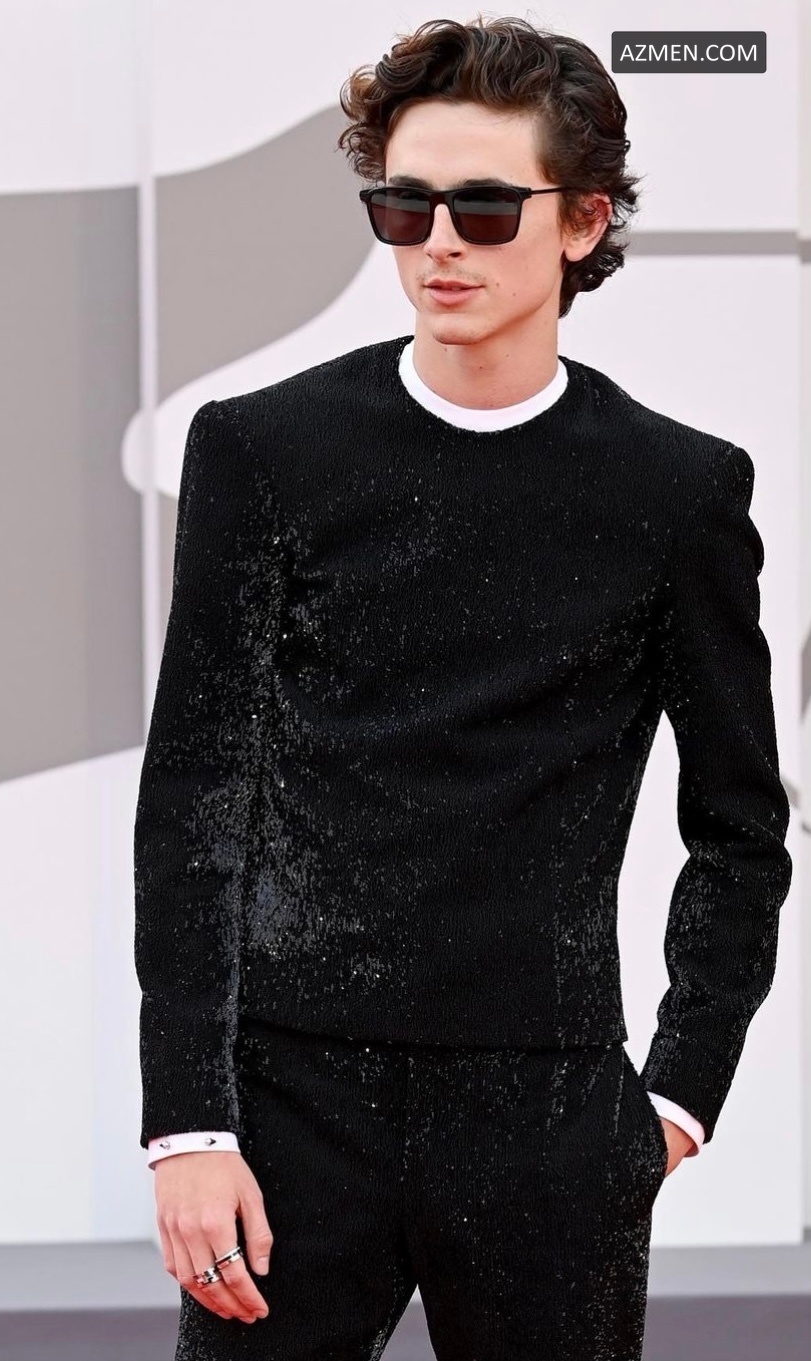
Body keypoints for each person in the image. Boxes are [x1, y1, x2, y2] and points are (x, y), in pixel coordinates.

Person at [133, 15, 792, 1360]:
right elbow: (197, 798)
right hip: (289, 1107)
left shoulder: (677, 492)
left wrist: (676, 1097)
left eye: (486, 208)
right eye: (403, 205)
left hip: (550, 1116)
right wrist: (188, 1122)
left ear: (583, 221)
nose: (438, 243)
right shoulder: (262, 452)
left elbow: (740, 828)